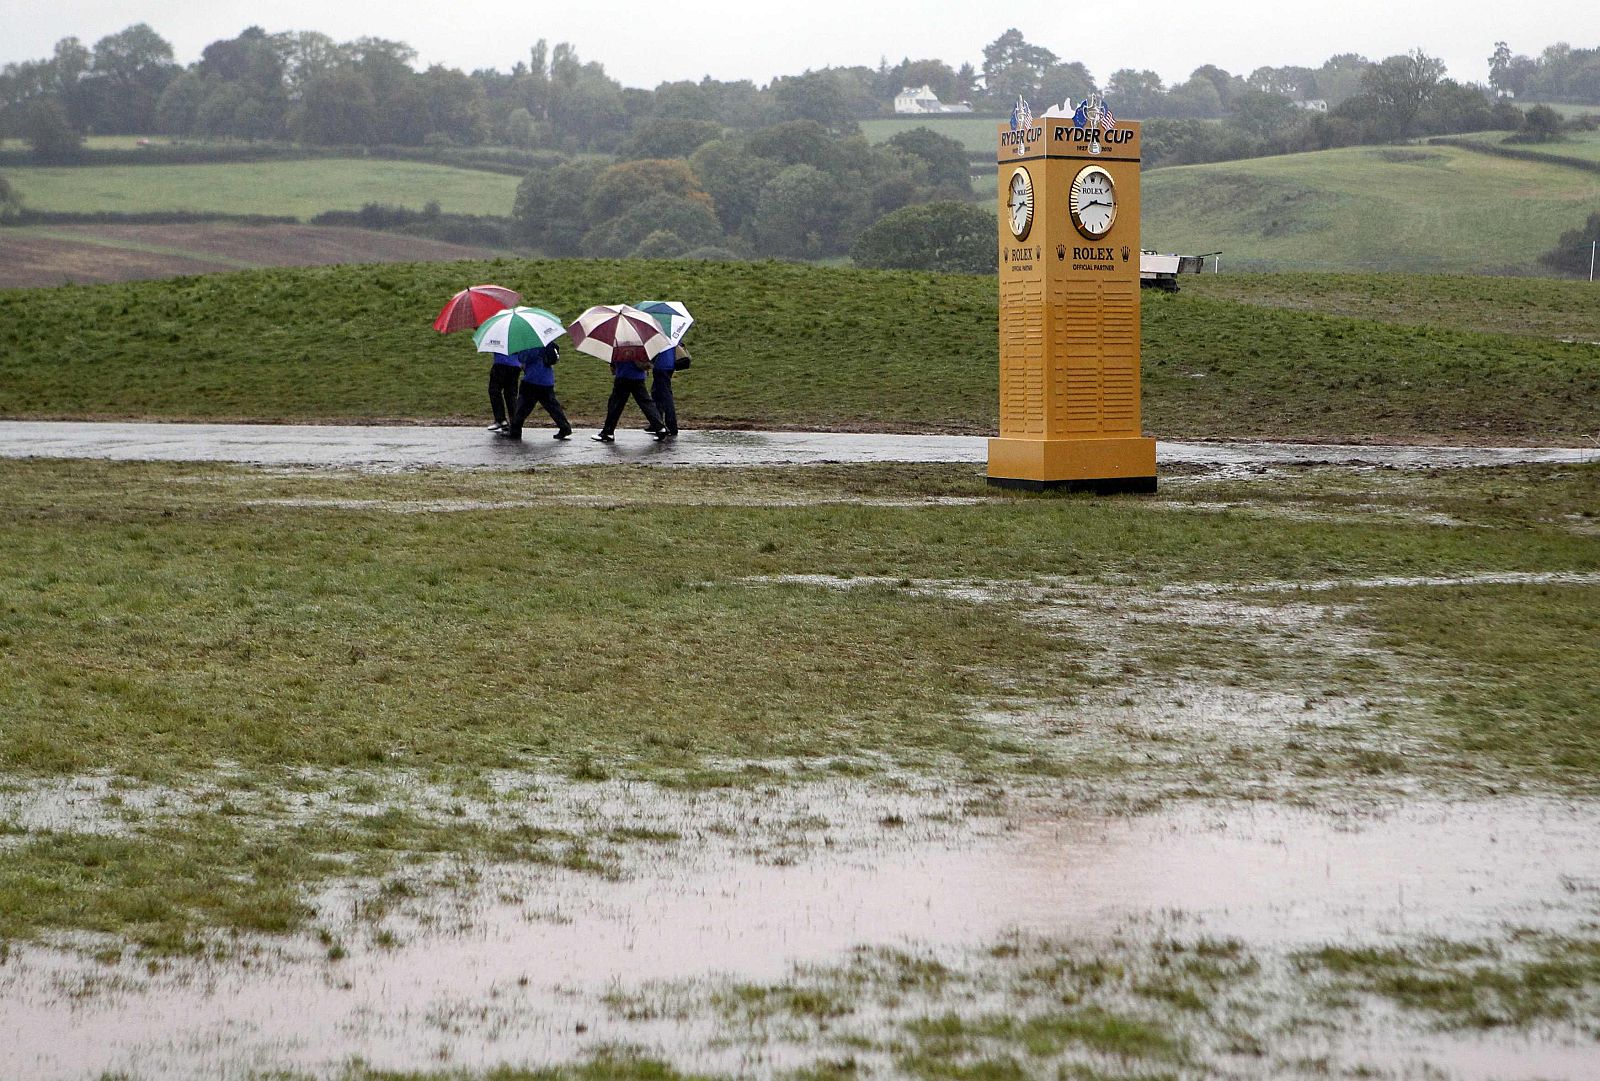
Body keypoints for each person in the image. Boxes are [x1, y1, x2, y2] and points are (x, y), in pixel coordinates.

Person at [592, 346, 666, 442]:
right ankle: (660, 428)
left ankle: (608, 432)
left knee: (615, 405)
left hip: (623, 375)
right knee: (646, 403)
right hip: (638, 376)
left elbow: (614, 358)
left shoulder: (619, 342)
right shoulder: (640, 341)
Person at [499, 342, 571, 441]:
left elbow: (523, 358)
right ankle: (565, 427)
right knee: (553, 407)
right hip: (547, 380)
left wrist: (520, 351)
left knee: (522, 407)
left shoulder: (532, 345)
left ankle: (515, 430)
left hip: (532, 380)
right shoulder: (548, 343)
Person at [648, 340, 685, 438]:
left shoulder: (658, 331)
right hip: (670, 363)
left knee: (665, 395)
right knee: (656, 392)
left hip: (661, 364)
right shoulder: (671, 331)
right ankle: (657, 422)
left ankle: (671, 425)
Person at [486, 351, 522, 432]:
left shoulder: (498, 337)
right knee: (511, 394)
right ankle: (514, 423)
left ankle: (500, 420)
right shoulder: (519, 338)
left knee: (494, 391)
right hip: (515, 365)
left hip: (500, 363)